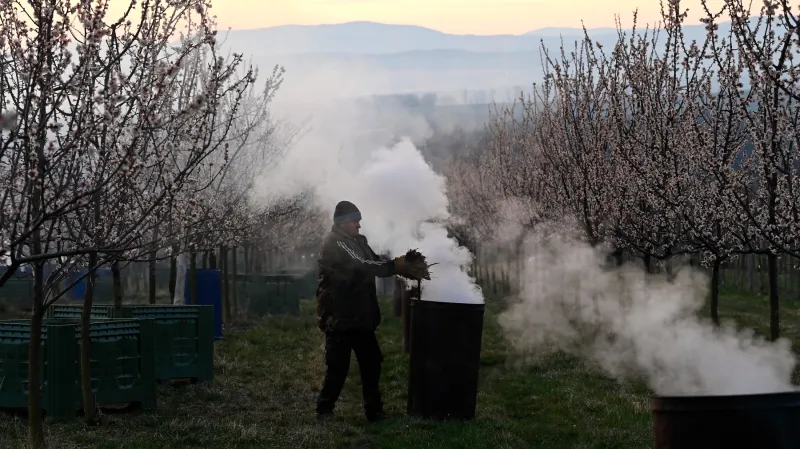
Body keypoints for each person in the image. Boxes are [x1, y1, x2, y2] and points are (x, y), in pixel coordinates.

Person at [315, 200, 429, 422]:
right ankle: (324, 410)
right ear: (343, 223)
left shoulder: (358, 241)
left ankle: (374, 411)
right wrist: (395, 267)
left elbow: (373, 261)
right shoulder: (336, 243)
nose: (359, 224)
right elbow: (363, 265)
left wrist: (398, 262)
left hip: (359, 315)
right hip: (339, 316)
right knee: (338, 367)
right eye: (355, 220)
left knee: (372, 362)